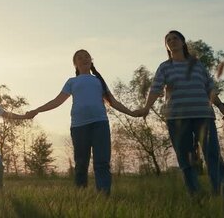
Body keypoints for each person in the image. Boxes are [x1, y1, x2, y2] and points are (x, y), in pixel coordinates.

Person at [25, 49, 139, 195]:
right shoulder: (72, 82)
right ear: (75, 64)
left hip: (100, 124)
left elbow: (113, 102)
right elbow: (57, 101)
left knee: (102, 163)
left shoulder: (99, 81)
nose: (84, 59)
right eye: (80, 57)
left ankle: (104, 195)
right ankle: (81, 195)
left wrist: (132, 113)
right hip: (79, 126)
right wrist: (37, 110)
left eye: (87, 56)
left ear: (91, 61)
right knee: (81, 163)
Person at [134, 30, 224, 197]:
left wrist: (221, 106)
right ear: (166, 46)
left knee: (212, 155)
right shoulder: (165, 67)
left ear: (183, 42)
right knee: (185, 158)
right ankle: (195, 193)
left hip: (203, 115)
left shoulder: (198, 65)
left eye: (175, 38)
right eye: (168, 40)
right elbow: (156, 88)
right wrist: (146, 107)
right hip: (177, 118)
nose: (172, 41)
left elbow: (209, 88)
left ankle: (223, 193)